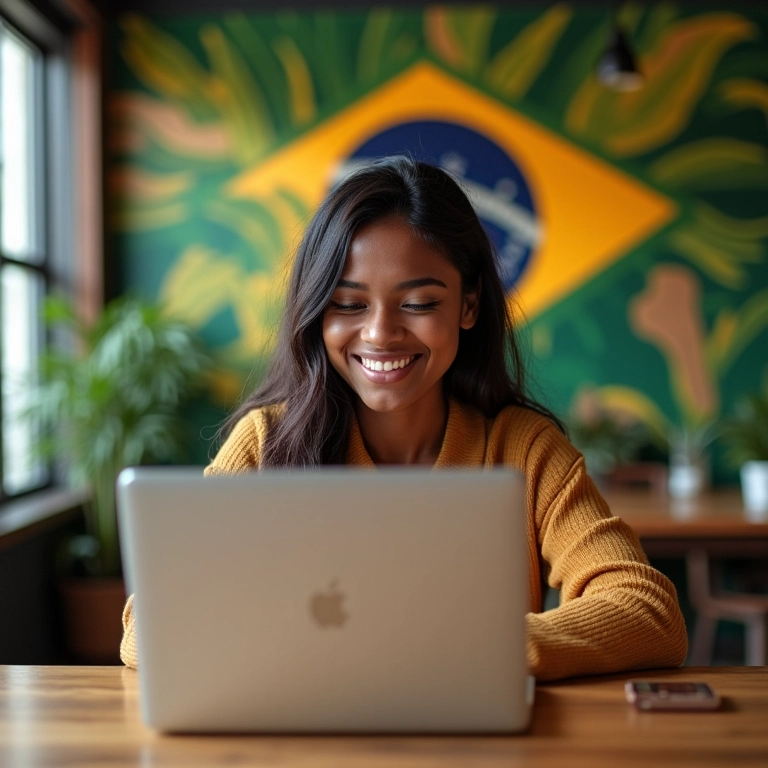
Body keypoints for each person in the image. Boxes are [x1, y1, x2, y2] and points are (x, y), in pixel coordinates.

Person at [120, 156, 687, 679]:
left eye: (418, 304)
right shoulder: (267, 442)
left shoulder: (523, 449)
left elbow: (648, 610)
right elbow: (146, 630)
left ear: (468, 305)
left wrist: (484, 649)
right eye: (347, 304)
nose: (379, 334)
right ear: (317, 310)